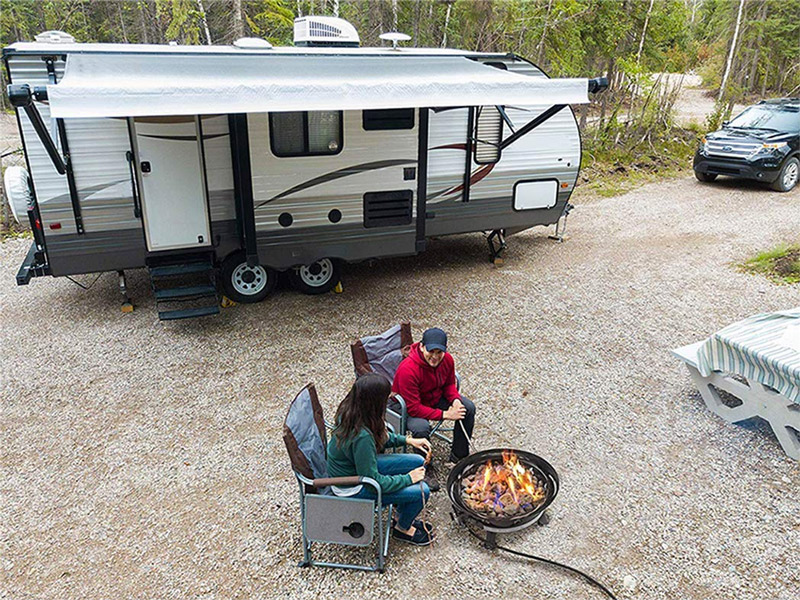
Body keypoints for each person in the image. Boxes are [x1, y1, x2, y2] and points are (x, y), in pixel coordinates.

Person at [327, 373, 435, 546]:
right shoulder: (361, 436)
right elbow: (372, 481)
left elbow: (380, 436)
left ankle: (401, 512)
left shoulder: (352, 410)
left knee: (416, 460)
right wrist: (408, 479)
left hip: (357, 469)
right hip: (353, 486)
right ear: (374, 402)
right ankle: (402, 529)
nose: (388, 401)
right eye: (385, 398)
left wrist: (407, 439)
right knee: (423, 490)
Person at [391, 327, 476, 492]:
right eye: (432, 351)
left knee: (468, 408)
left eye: (440, 352)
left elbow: (449, 385)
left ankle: (459, 457)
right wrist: (445, 414)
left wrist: (456, 400)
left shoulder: (448, 360)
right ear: (422, 347)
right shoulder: (408, 369)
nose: (435, 357)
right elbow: (414, 408)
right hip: (406, 407)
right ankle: (425, 467)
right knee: (421, 427)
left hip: (433, 398)